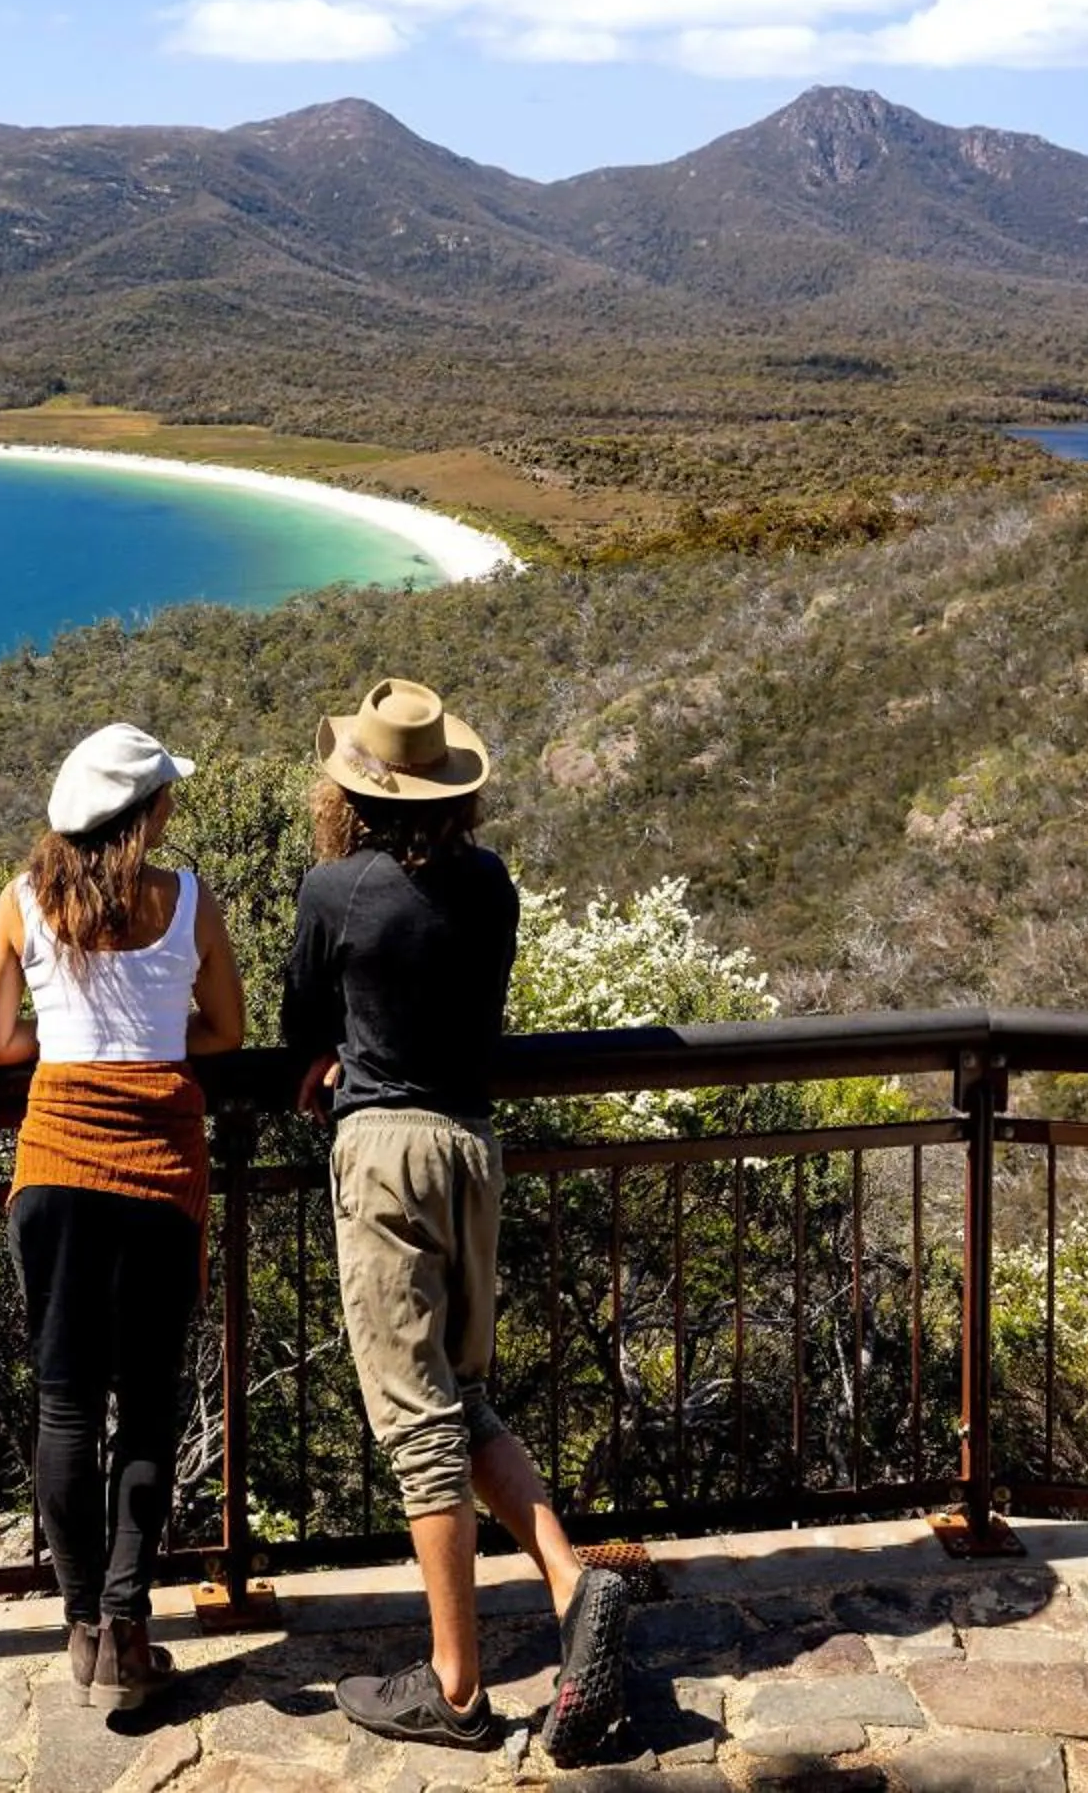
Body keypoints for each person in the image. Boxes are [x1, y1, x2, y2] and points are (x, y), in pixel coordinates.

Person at [281, 677, 629, 1764]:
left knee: (416, 1424)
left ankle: (456, 1688)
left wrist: (330, 1058)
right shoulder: (492, 887)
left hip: (382, 1151)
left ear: (358, 791)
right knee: (459, 1397)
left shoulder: (335, 891)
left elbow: (302, 1026)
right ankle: (573, 1585)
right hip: (471, 1148)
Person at [0, 720, 245, 1712]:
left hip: (52, 1173)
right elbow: (227, 1030)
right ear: (144, 813)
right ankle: (129, 1624)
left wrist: (67, 1034)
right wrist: (149, 1029)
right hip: (160, 1174)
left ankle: (82, 1624)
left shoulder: (22, 902)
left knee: (64, 1401)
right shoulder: (188, 902)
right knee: (148, 1399)